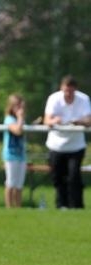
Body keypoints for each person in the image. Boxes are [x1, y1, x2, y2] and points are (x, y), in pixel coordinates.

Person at [43, 75, 91, 209]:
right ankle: (61, 205)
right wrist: (54, 121)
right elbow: (47, 120)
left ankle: (76, 205)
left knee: (74, 176)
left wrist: (78, 122)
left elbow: (89, 120)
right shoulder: (54, 99)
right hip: (56, 145)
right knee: (57, 177)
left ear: (75, 90)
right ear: (61, 89)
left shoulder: (83, 99)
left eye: (71, 91)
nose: (68, 94)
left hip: (76, 146)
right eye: (66, 91)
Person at [2, 93, 27, 208]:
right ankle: (9, 207)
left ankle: (18, 207)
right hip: (11, 155)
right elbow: (17, 131)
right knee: (11, 182)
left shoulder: (20, 120)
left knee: (19, 184)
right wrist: (20, 118)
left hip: (21, 155)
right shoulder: (9, 119)